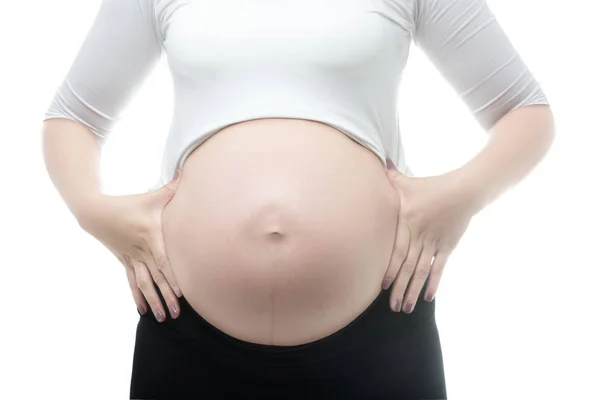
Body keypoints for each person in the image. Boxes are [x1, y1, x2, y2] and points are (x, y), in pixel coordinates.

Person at [41, 0, 554, 398]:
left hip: (382, 325)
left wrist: (458, 198)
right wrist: (92, 210)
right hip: (183, 322)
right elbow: (73, 115)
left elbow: (526, 111)